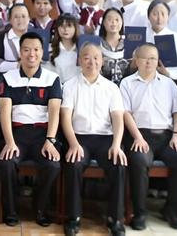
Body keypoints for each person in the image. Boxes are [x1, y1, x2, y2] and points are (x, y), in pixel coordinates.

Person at [120, 43, 177, 230]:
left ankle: (171, 209)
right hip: (140, 135)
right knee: (138, 161)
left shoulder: (169, 84)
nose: (149, 62)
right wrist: (137, 137)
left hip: (167, 137)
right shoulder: (127, 83)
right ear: (136, 60)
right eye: (145, 58)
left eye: (153, 58)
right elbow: (125, 113)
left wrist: (176, 136)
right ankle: (140, 212)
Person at [60, 42, 127, 236]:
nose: (92, 61)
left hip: (106, 139)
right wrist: (73, 144)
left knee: (118, 164)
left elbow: (117, 118)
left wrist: (116, 144)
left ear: (102, 61)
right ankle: (74, 218)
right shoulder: (70, 85)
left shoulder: (111, 88)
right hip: (78, 138)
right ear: (79, 60)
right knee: (73, 163)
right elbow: (65, 118)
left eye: (96, 57)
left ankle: (115, 219)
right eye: (87, 57)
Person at [0, 32, 62, 227]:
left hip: (43, 135)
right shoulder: (7, 78)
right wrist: (9, 142)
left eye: (35, 50)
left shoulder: (52, 78)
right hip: (15, 134)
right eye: (26, 50)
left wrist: (50, 140)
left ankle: (40, 207)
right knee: (6, 162)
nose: (31, 54)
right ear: (20, 53)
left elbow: (55, 112)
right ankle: (11, 210)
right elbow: (5, 112)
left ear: (42, 53)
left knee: (53, 165)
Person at [145, 0, 177, 80]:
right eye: (155, 14)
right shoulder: (143, 36)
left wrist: (168, 73)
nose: (159, 18)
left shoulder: (176, 37)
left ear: (168, 17)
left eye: (163, 14)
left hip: (168, 80)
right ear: (148, 16)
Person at [0, 3, 30, 75]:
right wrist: (18, 65)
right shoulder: (2, 38)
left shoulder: (35, 37)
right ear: (10, 20)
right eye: (16, 17)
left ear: (29, 18)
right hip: (10, 83)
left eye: (23, 16)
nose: (20, 20)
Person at [100, 8, 132, 85]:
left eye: (117, 20)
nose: (113, 22)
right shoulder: (96, 44)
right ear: (103, 22)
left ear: (122, 23)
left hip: (126, 88)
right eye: (109, 19)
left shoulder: (130, 43)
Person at [46, 13, 80, 83]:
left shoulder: (82, 49)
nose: (65, 29)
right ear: (57, 28)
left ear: (75, 28)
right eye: (62, 26)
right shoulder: (49, 49)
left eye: (69, 26)